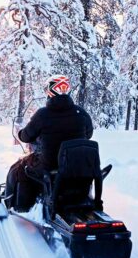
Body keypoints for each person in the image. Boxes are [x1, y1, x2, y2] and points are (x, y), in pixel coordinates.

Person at [6, 74, 93, 212]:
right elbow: (88, 134)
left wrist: (21, 132)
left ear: (50, 91)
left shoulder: (43, 114)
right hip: (77, 164)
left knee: (20, 168)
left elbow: (26, 136)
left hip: (50, 164)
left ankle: (20, 205)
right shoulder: (81, 113)